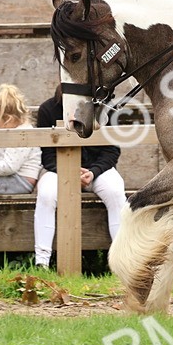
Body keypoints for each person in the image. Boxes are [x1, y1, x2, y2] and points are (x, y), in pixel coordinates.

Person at [30, 87, 125, 268]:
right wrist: (70, 173)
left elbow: (111, 150)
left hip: (97, 171)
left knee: (115, 191)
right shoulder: (48, 109)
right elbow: (47, 155)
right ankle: (41, 262)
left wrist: (94, 172)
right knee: (46, 194)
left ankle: (123, 261)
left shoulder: (106, 108)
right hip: (60, 170)